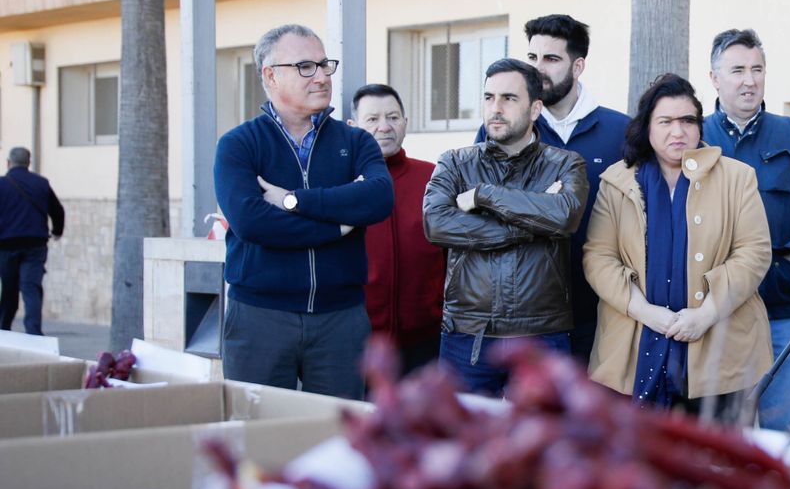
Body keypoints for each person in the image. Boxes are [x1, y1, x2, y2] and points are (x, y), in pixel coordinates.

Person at [214, 24, 394, 398]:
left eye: (325, 65)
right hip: (259, 318)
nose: (323, 76)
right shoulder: (238, 145)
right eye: (306, 67)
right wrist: (339, 225)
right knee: (258, 435)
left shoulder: (355, 140)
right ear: (270, 75)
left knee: (336, 438)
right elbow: (251, 222)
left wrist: (293, 201)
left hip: (341, 319)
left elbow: (378, 198)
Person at [584, 74, 773, 420]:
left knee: (717, 465)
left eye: (687, 120)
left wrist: (706, 315)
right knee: (641, 465)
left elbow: (754, 252)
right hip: (634, 343)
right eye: (666, 121)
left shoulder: (737, 177)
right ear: (647, 127)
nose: (678, 131)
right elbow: (598, 257)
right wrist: (645, 311)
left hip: (720, 348)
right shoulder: (616, 181)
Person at [701, 28, 790, 432]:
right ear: (714, 78)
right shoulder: (695, 137)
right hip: (713, 309)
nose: (749, 80)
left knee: (780, 426)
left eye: (757, 69)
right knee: (722, 429)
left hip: (778, 306)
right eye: (738, 70)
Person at [423, 59, 587, 396]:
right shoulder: (454, 162)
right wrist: (529, 224)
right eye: (488, 98)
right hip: (467, 333)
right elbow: (435, 223)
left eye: (509, 99)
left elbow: (565, 216)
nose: (495, 108)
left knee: (542, 442)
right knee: (462, 441)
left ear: (535, 108)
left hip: (542, 334)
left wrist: (485, 194)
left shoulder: (566, 163)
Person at [473, 15, 628, 362]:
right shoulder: (500, 129)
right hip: (524, 315)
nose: (538, 69)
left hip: (601, 311)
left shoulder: (621, 132)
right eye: (532, 58)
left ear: (578, 66)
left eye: (551, 59)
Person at [351, 83, 446, 374]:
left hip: (426, 342)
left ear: (405, 122)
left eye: (393, 117)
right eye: (372, 119)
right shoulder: (338, 184)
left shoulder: (434, 177)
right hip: (358, 344)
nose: (384, 127)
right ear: (353, 127)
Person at [0, 147, 65, 336]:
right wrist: (57, 232)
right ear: (29, 163)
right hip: (35, 245)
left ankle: (3, 331)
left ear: (8, 163)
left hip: (6, 246)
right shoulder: (41, 183)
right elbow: (58, 210)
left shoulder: (1, 185)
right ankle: (34, 333)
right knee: (31, 288)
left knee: (9, 289)